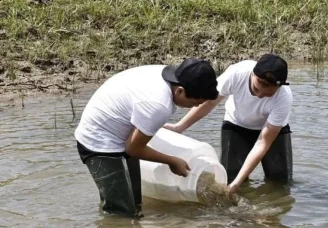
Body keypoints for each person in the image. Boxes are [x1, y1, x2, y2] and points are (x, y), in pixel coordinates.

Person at [74, 58, 219, 216]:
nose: (196, 107)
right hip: (98, 141)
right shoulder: (159, 105)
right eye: (195, 102)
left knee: (135, 203)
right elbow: (134, 149)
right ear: (180, 91)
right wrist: (172, 161)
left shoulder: (170, 76)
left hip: (121, 131)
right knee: (121, 213)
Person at [164, 53, 293, 195]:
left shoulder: (283, 97)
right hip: (236, 125)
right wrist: (179, 126)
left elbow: (263, 142)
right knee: (230, 177)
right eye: (256, 89)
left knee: (280, 182)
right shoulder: (237, 74)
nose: (260, 96)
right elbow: (210, 101)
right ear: (252, 75)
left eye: (267, 94)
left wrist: (236, 184)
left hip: (272, 131)